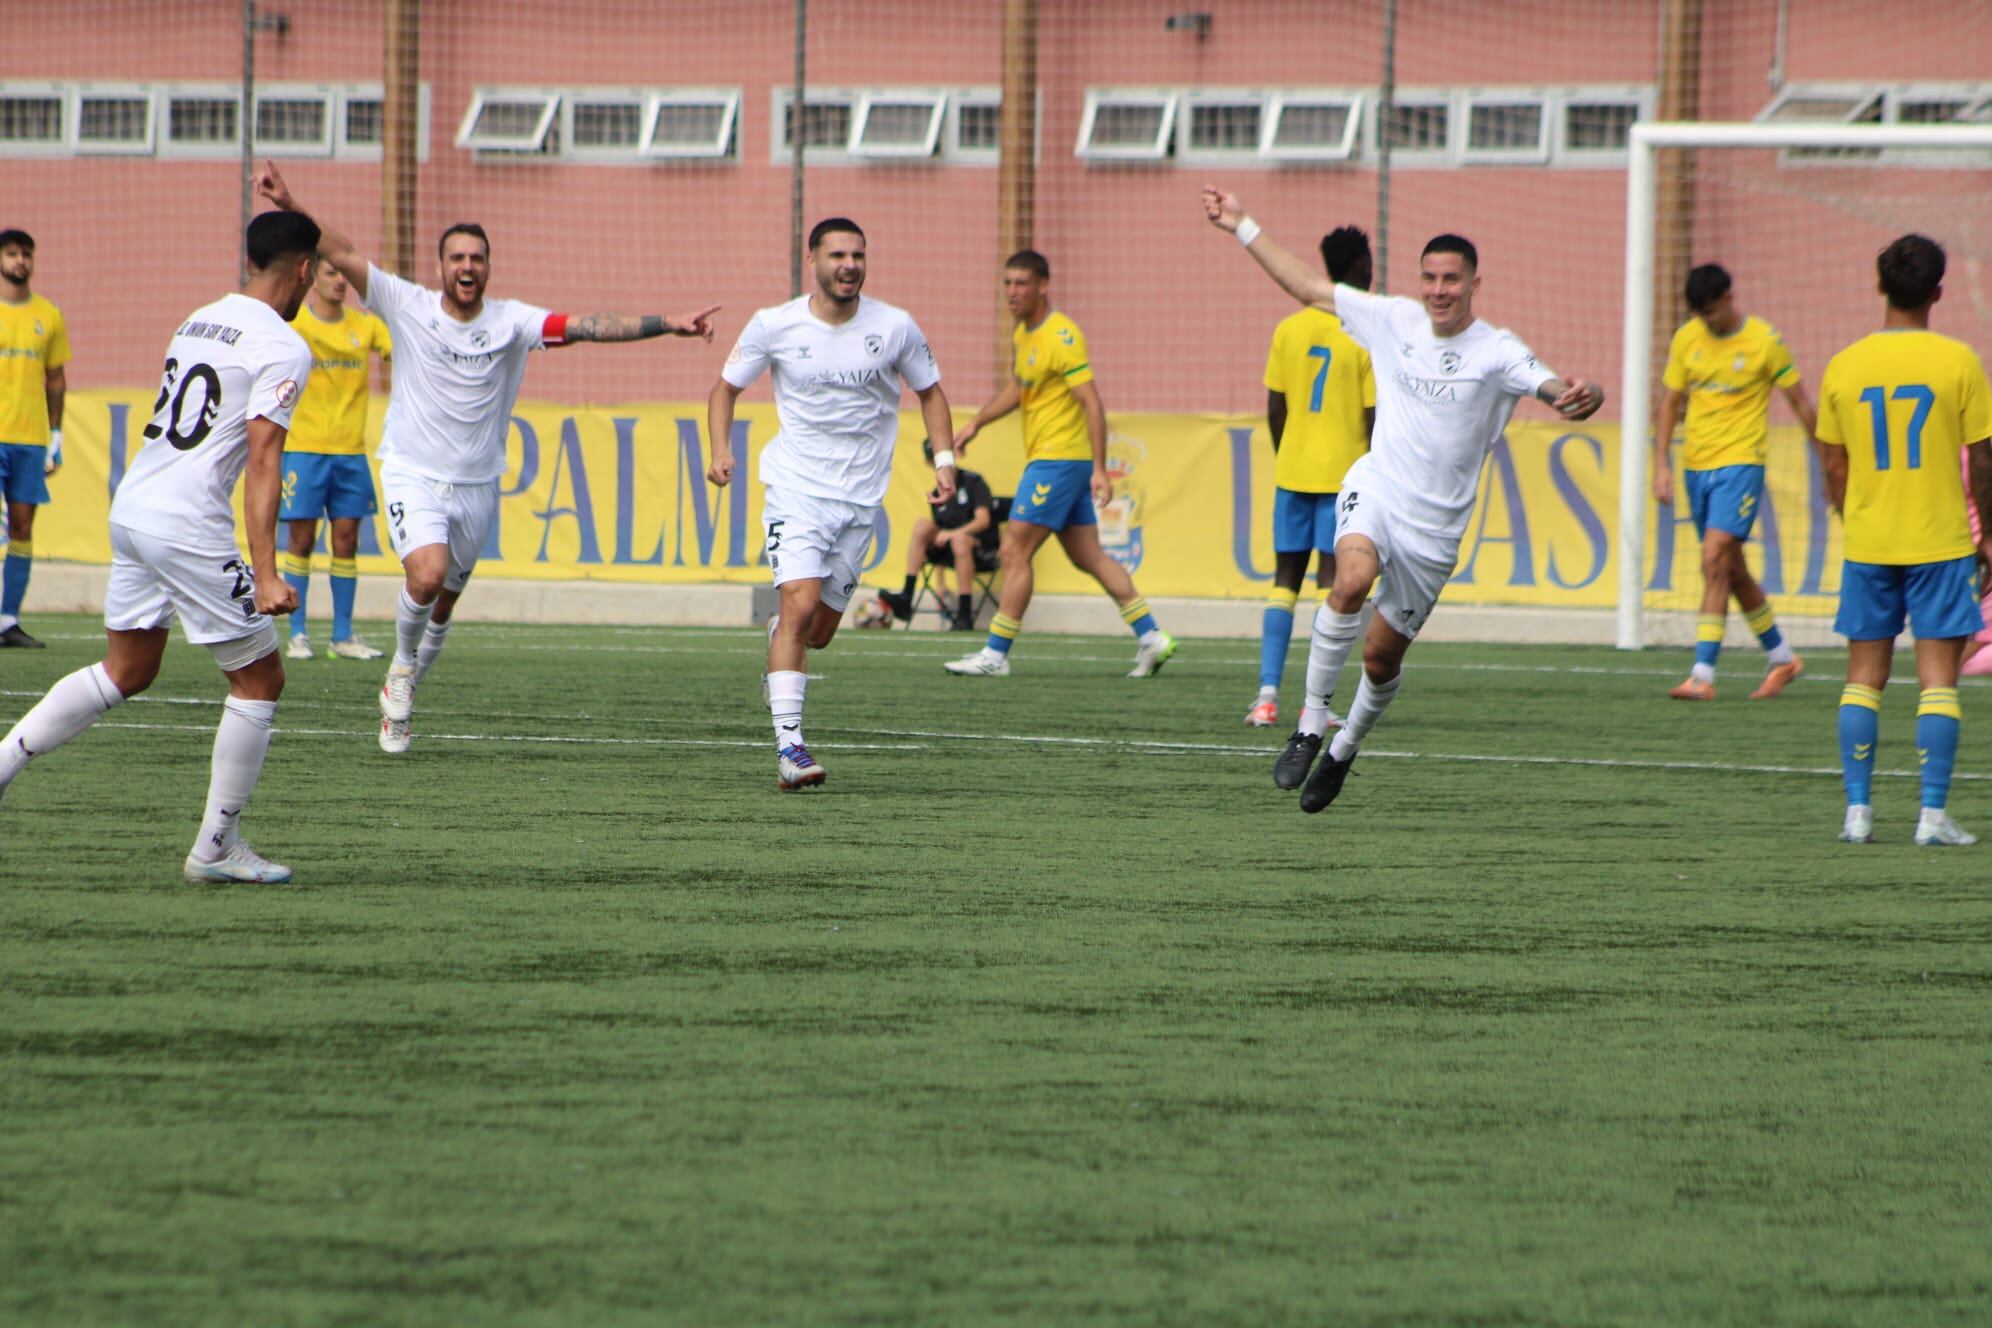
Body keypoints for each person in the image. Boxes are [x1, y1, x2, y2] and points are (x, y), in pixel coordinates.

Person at [253, 159, 718, 753]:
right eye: (458, 257)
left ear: (487, 268)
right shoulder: (405, 303)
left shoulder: (513, 322)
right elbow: (338, 251)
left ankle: (411, 682)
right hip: (413, 472)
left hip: (476, 486)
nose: (467, 266)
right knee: (425, 573)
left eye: (477, 258)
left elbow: (588, 326)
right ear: (442, 267)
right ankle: (399, 672)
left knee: (446, 599)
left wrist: (666, 324)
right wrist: (290, 199)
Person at [1201, 187, 1604, 814]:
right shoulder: (1394, 320)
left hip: (1435, 530)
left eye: (1452, 279)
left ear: (1474, 285)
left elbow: (1550, 384)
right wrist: (1241, 225)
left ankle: (1345, 748)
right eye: (1430, 278)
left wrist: (1580, 393)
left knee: (1380, 657)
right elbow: (1308, 287)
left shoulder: (1496, 350)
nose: (1439, 289)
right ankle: (1310, 726)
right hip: (1378, 486)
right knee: (1348, 580)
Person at [0, 210, 318, 882]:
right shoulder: (285, 345)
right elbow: (265, 459)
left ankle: (2, 764)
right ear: (304, 270)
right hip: (186, 522)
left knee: (128, 669)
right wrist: (266, 572)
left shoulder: (198, 317)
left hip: (135, 505)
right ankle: (215, 849)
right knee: (261, 678)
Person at [708, 217, 956, 791]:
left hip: (860, 500)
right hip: (795, 489)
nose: (849, 264)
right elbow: (725, 389)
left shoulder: (894, 327)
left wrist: (944, 462)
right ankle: (790, 748)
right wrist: (720, 450)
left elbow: (931, 392)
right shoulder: (775, 324)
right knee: (797, 605)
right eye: (838, 254)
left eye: (858, 255)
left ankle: (783, 640)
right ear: (813, 261)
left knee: (816, 631)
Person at [1816, 234, 1992, 847]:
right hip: (1940, 541)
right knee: (1938, 680)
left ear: (1879, 285)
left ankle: (1858, 814)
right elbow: (1983, 457)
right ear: (1937, 293)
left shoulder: (1845, 364)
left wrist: (1853, 514)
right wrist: (1988, 535)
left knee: (1863, 676)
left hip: (1870, 543)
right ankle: (1931, 818)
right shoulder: (1959, 362)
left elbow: (1833, 465)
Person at [943, 250, 1178, 679]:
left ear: (1043, 286)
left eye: (1021, 283)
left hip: (1058, 459)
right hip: (1055, 459)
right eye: (1007, 283)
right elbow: (1019, 385)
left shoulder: (1062, 335)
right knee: (1089, 555)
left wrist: (1100, 469)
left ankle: (995, 654)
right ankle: (1151, 637)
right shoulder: (1024, 334)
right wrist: (977, 421)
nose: (1012, 292)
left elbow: (1092, 401)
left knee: (1014, 548)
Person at [1651, 264, 1815, 701]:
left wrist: (1828, 456)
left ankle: (1702, 674)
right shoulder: (1687, 339)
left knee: (1713, 557)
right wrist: (1661, 464)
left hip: (1742, 465)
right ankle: (1783, 658)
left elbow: (1800, 402)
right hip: (1696, 467)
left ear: (1728, 297)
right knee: (1730, 569)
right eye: (1698, 315)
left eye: (1710, 312)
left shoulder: (1765, 341)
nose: (1706, 321)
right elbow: (1669, 403)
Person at [1248, 226, 1375, 728]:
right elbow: (1374, 419)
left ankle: (1265, 697)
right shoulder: (1364, 332)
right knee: (1335, 588)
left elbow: (1274, 409)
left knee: (1283, 582)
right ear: (1361, 266)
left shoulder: (1289, 329)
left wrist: (1290, 456)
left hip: (1293, 473)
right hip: (1345, 480)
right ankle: (1315, 705)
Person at [281, 257, 393, 661]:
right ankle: (298, 634)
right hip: (305, 450)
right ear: (312, 280)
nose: (341, 282)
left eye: (345, 275)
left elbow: (402, 350)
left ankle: (342, 636)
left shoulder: (365, 328)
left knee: (346, 540)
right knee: (301, 540)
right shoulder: (296, 327)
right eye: (331, 274)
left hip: (350, 453)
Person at [0, 228, 70, 649]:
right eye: (11, 254)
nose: (19, 261)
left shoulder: (50, 315)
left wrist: (56, 434)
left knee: (23, 527)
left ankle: (7, 620)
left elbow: (56, 380)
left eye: (26, 254)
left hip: (29, 440)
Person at [878, 438, 997, 631]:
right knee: (922, 526)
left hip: (978, 551)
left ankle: (965, 614)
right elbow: (939, 537)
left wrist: (953, 534)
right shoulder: (938, 492)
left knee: (959, 540)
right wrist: (940, 584)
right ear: (928, 463)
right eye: (932, 460)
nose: (937, 464)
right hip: (949, 552)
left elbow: (983, 520)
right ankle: (906, 596)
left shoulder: (973, 482)